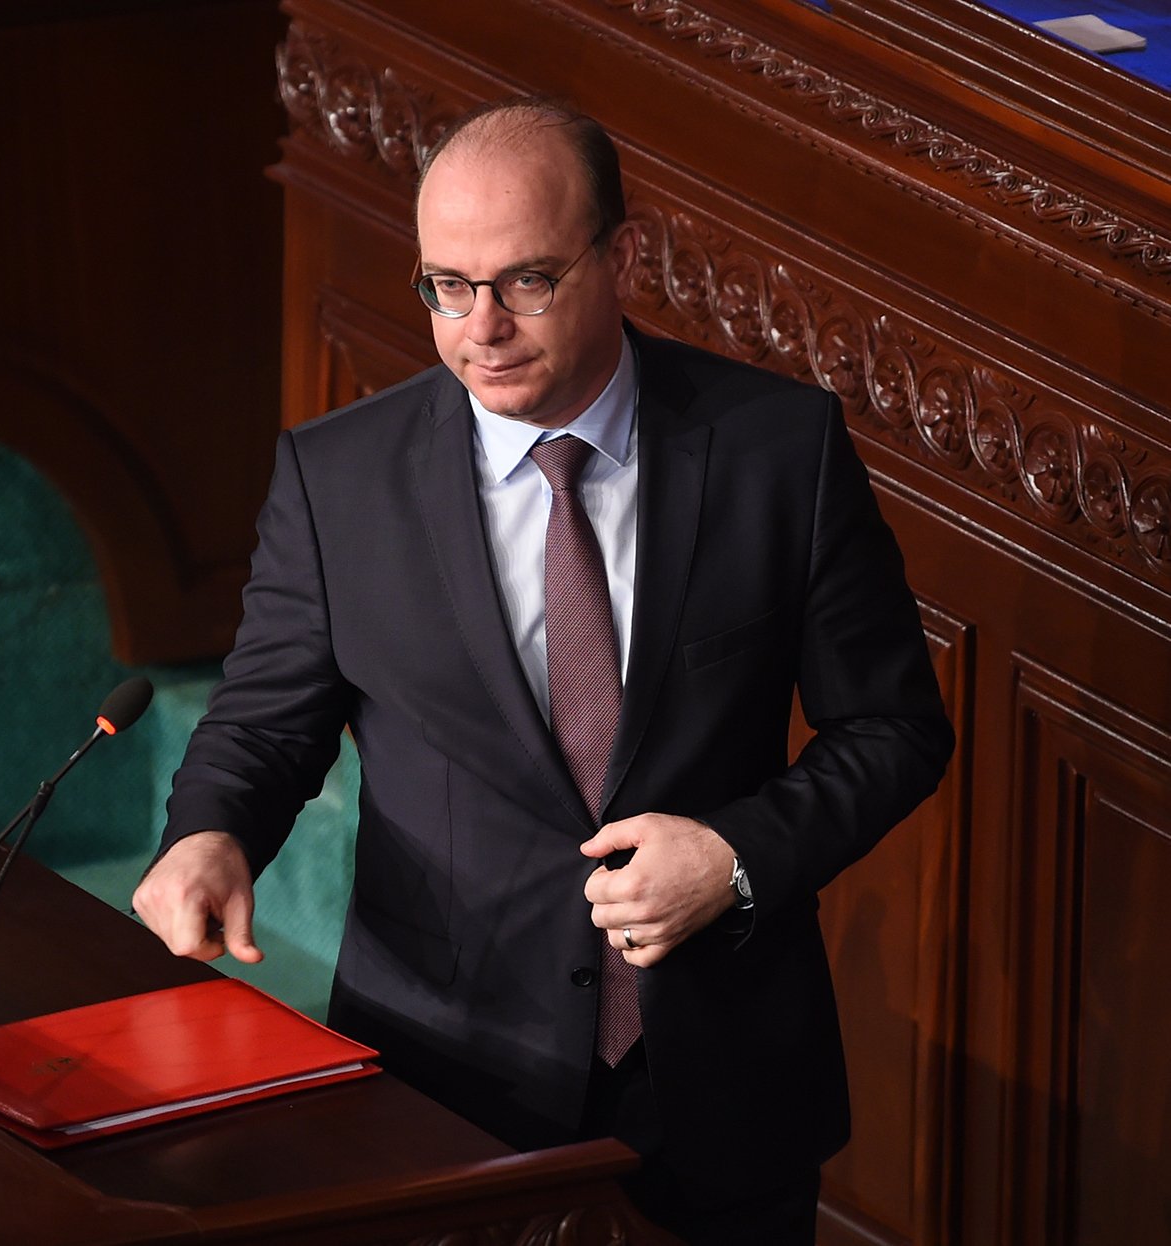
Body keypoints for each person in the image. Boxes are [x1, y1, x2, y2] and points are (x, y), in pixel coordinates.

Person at [133, 97, 954, 1244]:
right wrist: (208, 831)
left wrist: (733, 856)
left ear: (620, 256)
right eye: (446, 286)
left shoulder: (780, 451)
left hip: (717, 1082)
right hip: (443, 1083)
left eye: (526, 281)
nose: (483, 328)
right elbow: (267, 722)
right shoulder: (340, 480)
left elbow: (894, 730)